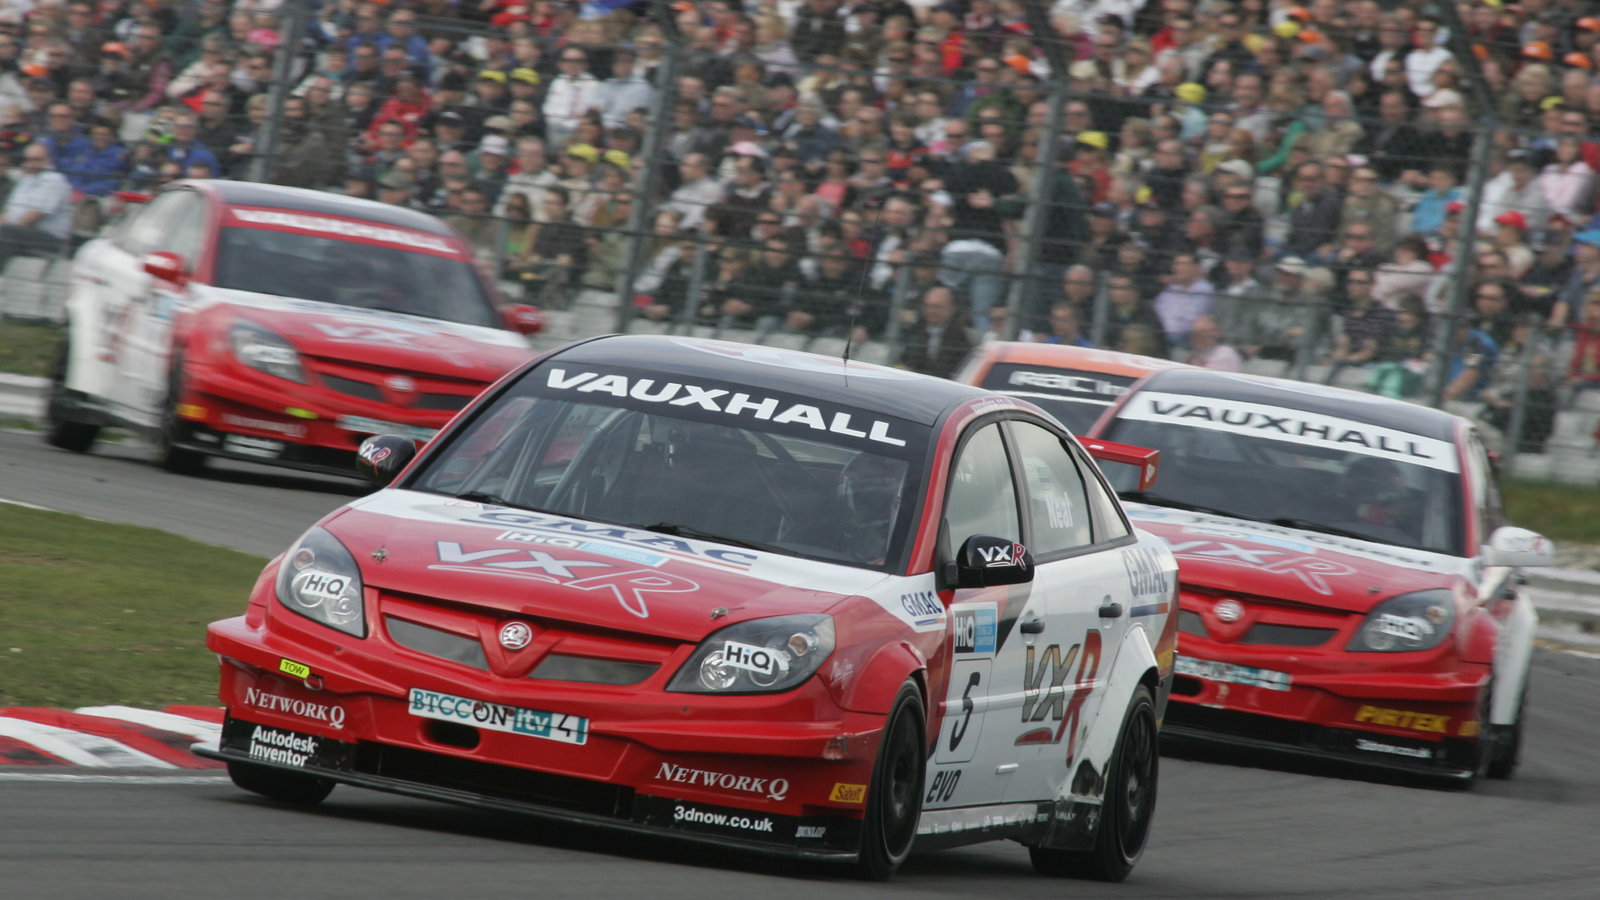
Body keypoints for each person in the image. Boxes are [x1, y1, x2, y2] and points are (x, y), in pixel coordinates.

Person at [0, 142, 73, 269]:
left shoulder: (54, 180)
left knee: (7, 233)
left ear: (48, 160)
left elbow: (32, 218)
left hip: (50, 238)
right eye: (28, 159)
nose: (31, 163)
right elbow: (8, 213)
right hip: (22, 233)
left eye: (37, 160)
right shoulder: (26, 179)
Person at [899, 285, 974, 379]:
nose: (931, 311)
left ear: (951, 309)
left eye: (937, 307)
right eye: (927, 306)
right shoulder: (914, 331)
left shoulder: (961, 337)